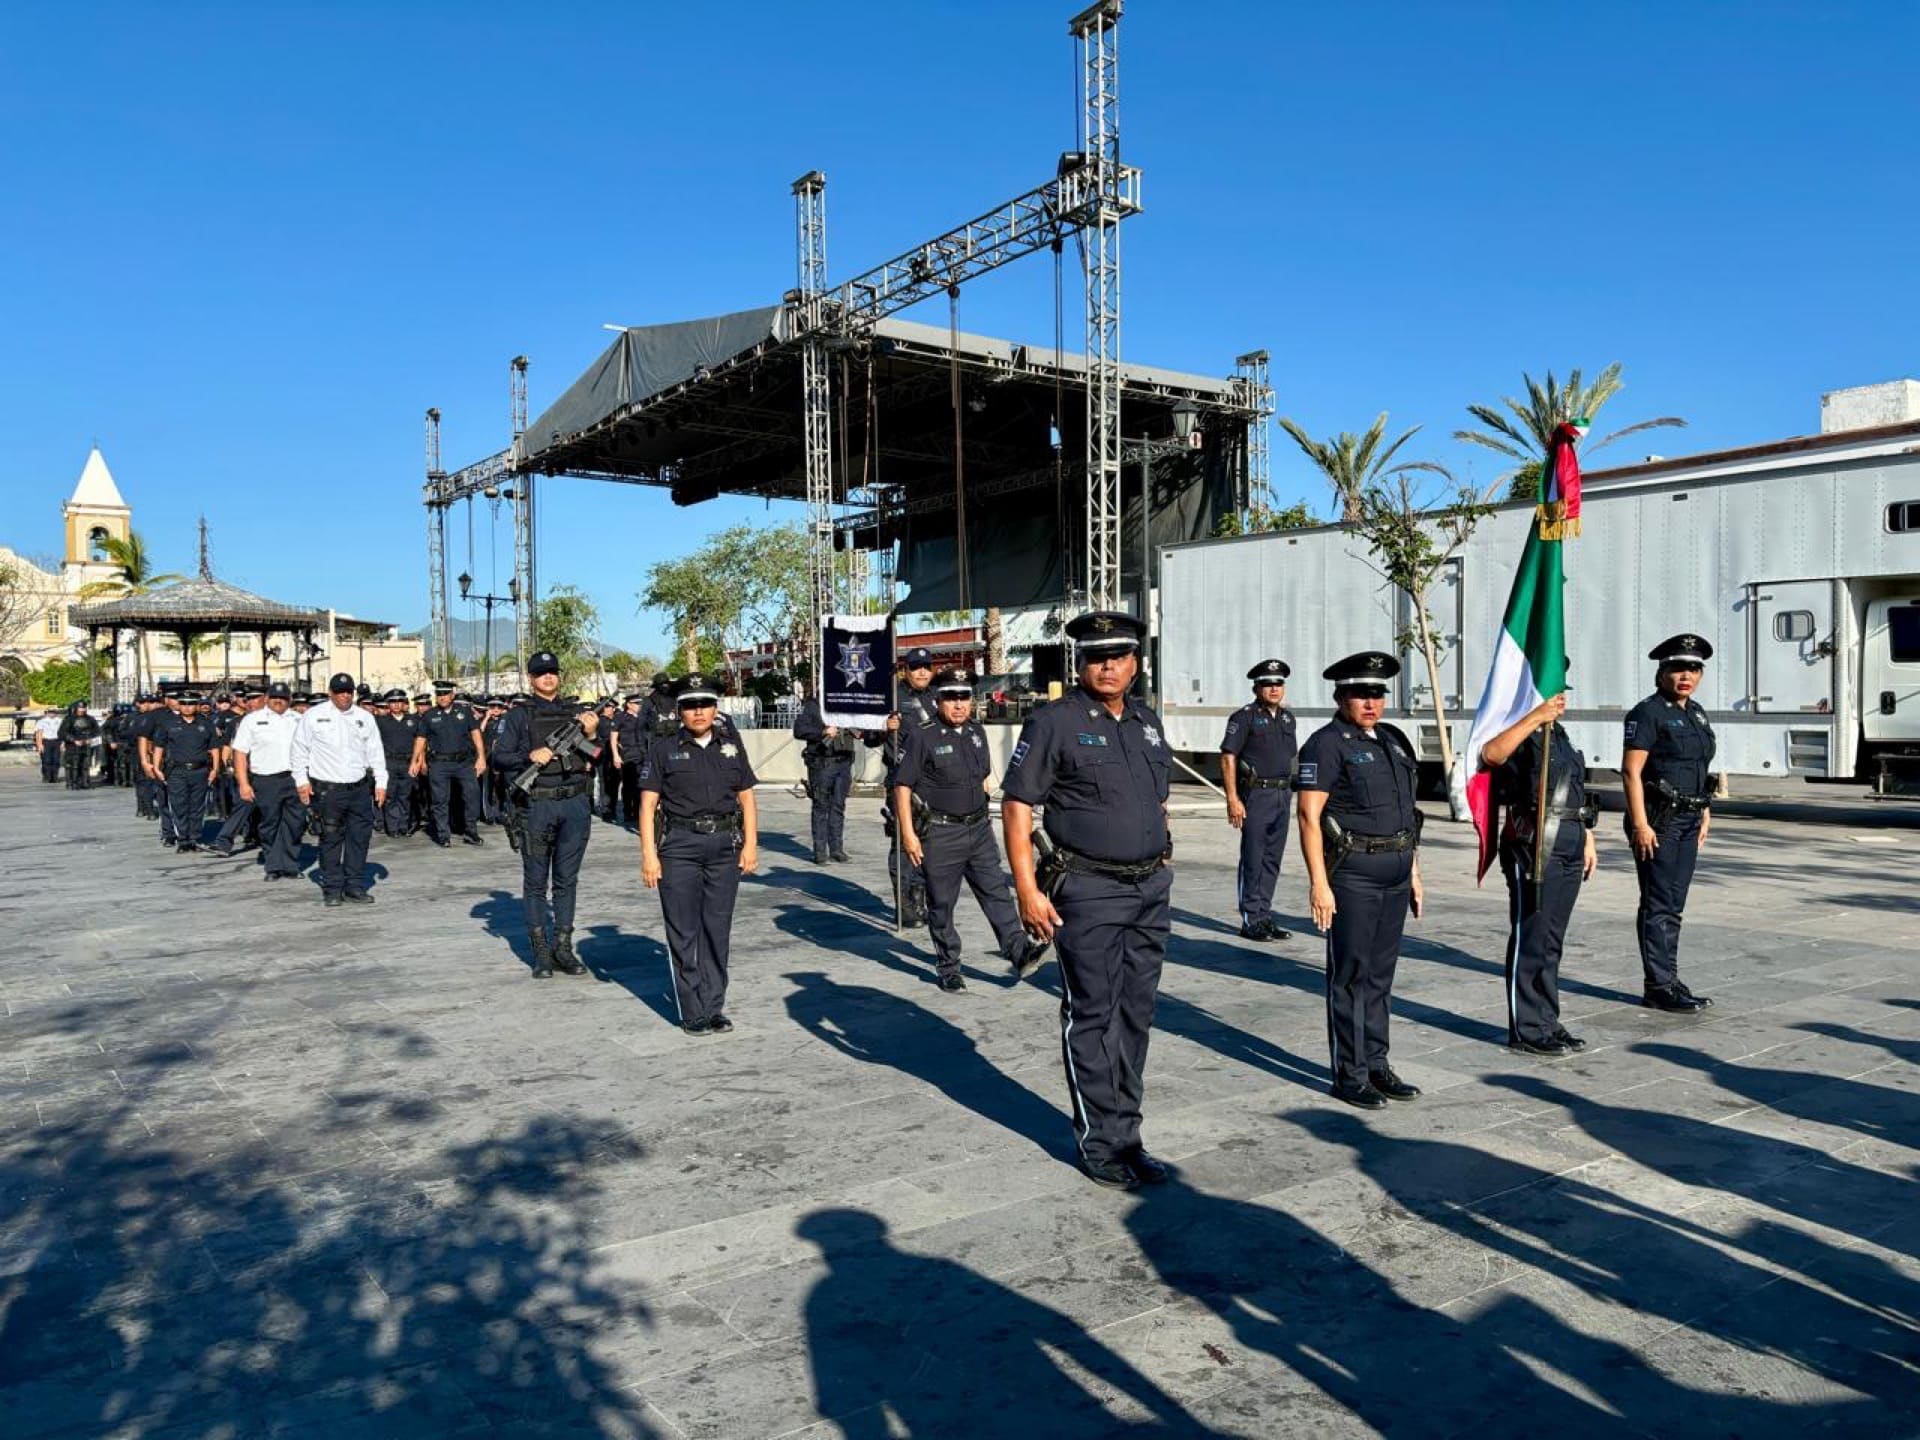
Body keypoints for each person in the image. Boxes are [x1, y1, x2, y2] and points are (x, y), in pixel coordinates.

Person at [1002, 611, 1173, 1190]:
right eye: (1098, 656)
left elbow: (1155, 800)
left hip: (1148, 890)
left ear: (1136, 662)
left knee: (1136, 1015)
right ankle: (1100, 1142)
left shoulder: (1147, 722)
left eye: (1120, 655)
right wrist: (1026, 888)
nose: (1109, 665)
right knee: (1094, 1014)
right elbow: (1018, 805)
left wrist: (1161, 854)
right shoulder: (1055, 722)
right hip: (1090, 891)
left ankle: (1129, 1135)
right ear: (1080, 662)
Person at [1295, 651, 1425, 1111]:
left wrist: (1414, 872)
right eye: (1359, 693)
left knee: (1381, 976)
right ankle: (1349, 1074)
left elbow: (1406, 815)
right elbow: (1309, 817)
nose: (1370, 702)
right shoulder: (1325, 744)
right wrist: (1319, 883)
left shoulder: (1392, 740)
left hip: (1394, 871)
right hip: (1353, 876)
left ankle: (1376, 1063)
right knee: (1351, 975)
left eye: (1377, 693)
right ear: (1340, 695)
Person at [893, 667, 1041, 992]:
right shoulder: (922, 735)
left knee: (997, 892)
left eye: (964, 697)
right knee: (942, 904)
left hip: (979, 828)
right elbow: (901, 786)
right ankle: (948, 966)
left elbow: (984, 774)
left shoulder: (977, 731)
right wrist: (908, 834)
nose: (959, 704)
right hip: (942, 834)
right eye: (951, 697)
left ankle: (1018, 951)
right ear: (938, 699)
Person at [637, 673, 758, 1036]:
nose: (698, 711)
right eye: (690, 705)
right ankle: (692, 1011)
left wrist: (751, 844)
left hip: (723, 846)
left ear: (715, 708)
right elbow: (647, 805)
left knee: (717, 929)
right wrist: (648, 855)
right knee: (684, 931)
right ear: (679, 711)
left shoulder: (731, 745)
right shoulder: (663, 749)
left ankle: (714, 1006)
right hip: (679, 848)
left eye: (704, 704)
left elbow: (747, 797)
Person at [1478, 692, 1597, 1056]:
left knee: (1552, 940)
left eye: (1561, 692)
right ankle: (1527, 1027)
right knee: (1532, 935)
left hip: (1570, 840)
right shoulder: (1518, 729)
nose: (1558, 699)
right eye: (1550, 692)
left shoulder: (1559, 734)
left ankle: (1547, 1019)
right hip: (1533, 845)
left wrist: (1587, 837)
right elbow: (1490, 755)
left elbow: (1573, 791)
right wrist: (1535, 716)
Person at [489, 651, 602, 978]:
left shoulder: (576, 713)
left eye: (552, 672)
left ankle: (563, 947)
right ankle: (540, 951)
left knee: (567, 880)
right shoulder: (518, 716)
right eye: (541, 674)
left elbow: (600, 755)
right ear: (531, 679)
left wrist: (592, 735)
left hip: (575, 804)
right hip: (537, 805)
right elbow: (499, 759)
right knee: (536, 881)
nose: (548, 678)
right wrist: (530, 755)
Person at [1622, 633, 1718, 1013]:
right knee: (1659, 902)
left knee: (1674, 904)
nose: (1686, 675)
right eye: (1678, 668)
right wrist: (1641, 825)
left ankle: (1670, 977)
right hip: (1659, 821)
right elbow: (1631, 773)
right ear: (1662, 672)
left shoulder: (1695, 713)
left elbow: (1699, 767)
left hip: (1690, 817)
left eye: (1694, 668)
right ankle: (1658, 985)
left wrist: (1704, 809)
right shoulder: (1648, 713)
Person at [291, 672, 387, 906]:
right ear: (330, 693)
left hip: (359, 789)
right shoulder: (314, 716)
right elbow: (299, 751)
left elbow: (375, 751)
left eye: (348, 692)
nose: (345, 696)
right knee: (331, 839)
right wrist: (301, 781)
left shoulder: (365, 717)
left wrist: (381, 782)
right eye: (339, 692)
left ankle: (354, 886)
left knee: (359, 838)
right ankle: (332, 888)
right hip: (328, 791)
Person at [1220, 658, 1298, 942]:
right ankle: (1250, 918)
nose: (1274, 688)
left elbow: (1291, 757)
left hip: (1282, 794)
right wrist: (1233, 799)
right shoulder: (1244, 718)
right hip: (1257, 795)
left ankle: (1264, 915)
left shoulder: (1288, 719)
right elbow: (1228, 757)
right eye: (1267, 683)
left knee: (1272, 860)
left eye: (1278, 683)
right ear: (1256, 687)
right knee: (1253, 858)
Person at [866, 646, 939, 922]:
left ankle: (920, 898)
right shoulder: (891, 696)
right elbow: (870, 737)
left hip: (932, 782)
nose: (922, 672)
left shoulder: (937, 696)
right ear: (905, 670)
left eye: (926, 667)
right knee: (902, 843)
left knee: (929, 843)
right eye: (916, 667)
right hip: (901, 780)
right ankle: (905, 905)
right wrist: (885, 727)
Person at [231, 682, 304, 880]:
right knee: (269, 824)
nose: (278, 701)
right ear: (267, 699)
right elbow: (240, 753)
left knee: (295, 823)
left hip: (295, 778)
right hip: (266, 779)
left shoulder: (300, 719)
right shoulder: (252, 720)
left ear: (289, 700)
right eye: (274, 698)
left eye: (282, 698)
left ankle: (290, 865)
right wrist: (243, 783)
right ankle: (273, 866)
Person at [413, 679, 486, 847]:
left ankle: (471, 832)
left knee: (472, 795)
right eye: (439, 694)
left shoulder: (465, 712)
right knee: (440, 800)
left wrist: (481, 757)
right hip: (439, 763)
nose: (442, 697)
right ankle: (443, 835)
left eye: (445, 694)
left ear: (452, 695)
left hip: (463, 763)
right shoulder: (429, 715)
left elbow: (476, 734)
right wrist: (416, 760)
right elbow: (421, 739)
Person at [793, 684, 857, 864]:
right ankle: (820, 851)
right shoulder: (813, 706)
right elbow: (799, 730)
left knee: (838, 806)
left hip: (843, 762)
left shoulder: (846, 704)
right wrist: (822, 732)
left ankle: (837, 849)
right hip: (822, 762)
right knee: (821, 807)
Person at [152, 692, 219, 851]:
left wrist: (215, 768)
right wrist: (156, 767)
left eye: (191, 704)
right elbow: (159, 747)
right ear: (179, 705)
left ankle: (194, 838)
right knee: (179, 805)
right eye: (184, 704)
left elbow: (214, 748)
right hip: (177, 771)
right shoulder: (168, 723)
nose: (187, 707)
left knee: (197, 806)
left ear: (196, 705)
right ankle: (183, 839)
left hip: (200, 770)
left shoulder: (206, 723)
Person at [374, 689, 419, 836]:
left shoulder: (413, 720)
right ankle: (393, 827)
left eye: (399, 701)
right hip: (389, 762)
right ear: (388, 704)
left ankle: (403, 825)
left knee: (405, 795)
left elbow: (421, 741)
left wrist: (418, 761)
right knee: (391, 795)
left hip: (407, 762)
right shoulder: (381, 721)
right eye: (392, 702)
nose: (396, 705)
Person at [611, 693, 646, 828]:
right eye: (637, 703)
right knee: (628, 785)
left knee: (641, 784)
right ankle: (627, 811)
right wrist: (616, 755)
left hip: (643, 754)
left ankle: (638, 811)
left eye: (640, 704)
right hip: (628, 755)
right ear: (629, 704)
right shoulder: (621, 717)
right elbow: (613, 738)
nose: (639, 706)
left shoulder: (644, 718)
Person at [57, 701, 102, 789]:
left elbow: (97, 731)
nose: (82, 710)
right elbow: (62, 732)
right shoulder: (69, 719)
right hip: (72, 746)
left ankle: (85, 782)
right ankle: (72, 783)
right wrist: (73, 740)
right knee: (73, 765)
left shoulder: (90, 719)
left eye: (84, 708)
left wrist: (90, 739)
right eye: (80, 708)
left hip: (86, 745)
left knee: (85, 765)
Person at [33, 708, 63, 784]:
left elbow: (63, 733)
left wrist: (63, 743)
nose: (52, 714)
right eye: (50, 712)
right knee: (46, 760)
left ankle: (55, 777)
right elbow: (39, 733)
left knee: (56, 760)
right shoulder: (42, 721)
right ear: (47, 713)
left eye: (53, 712)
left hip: (57, 741)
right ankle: (47, 777)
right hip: (46, 741)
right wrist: (39, 744)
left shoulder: (60, 721)